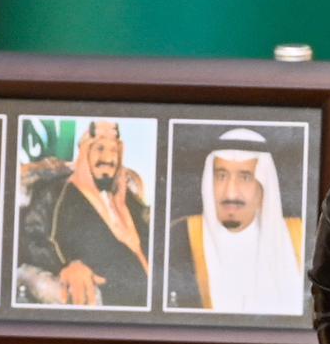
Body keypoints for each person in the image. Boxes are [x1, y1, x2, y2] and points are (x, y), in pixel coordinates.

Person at [19, 117, 154, 306]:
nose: (108, 158)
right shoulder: (57, 192)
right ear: (85, 152)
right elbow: (33, 239)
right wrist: (67, 266)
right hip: (107, 299)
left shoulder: (128, 199)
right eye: (100, 148)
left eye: (113, 150)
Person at [171, 126, 306, 314]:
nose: (231, 193)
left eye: (245, 177)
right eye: (221, 176)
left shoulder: (299, 236)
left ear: (263, 185)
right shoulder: (178, 237)